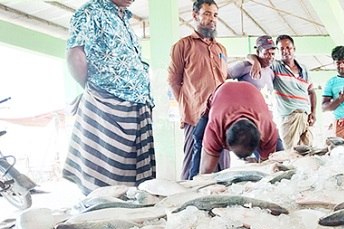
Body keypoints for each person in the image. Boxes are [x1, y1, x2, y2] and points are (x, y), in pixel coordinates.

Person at [64, 0, 155, 195]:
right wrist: (94, 92)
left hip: (137, 104)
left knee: (134, 183)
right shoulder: (90, 12)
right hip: (107, 104)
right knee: (108, 178)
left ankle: (130, 217)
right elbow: (75, 55)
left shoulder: (123, 18)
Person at [168, 0, 228, 180]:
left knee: (222, 167)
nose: (212, 19)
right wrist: (186, 107)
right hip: (195, 116)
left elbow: (224, 79)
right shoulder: (183, 46)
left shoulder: (221, 49)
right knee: (192, 168)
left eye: (215, 15)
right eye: (207, 13)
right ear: (195, 16)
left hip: (220, 117)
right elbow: (173, 80)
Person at [247, 35, 316, 149]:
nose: (285, 51)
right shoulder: (276, 66)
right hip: (289, 119)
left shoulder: (305, 70)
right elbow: (251, 56)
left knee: (307, 155)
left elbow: (312, 92)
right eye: (282, 49)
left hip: (306, 118)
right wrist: (255, 62)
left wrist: (313, 112)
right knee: (289, 156)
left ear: (294, 49)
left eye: (288, 47)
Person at [199, 82, 279, 175]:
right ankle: (190, 176)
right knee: (198, 138)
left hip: (251, 91)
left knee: (274, 164)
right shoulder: (214, 127)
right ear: (225, 141)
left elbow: (266, 168)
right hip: (220, 94)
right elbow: (205, 172)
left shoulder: (268, 129)